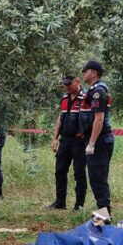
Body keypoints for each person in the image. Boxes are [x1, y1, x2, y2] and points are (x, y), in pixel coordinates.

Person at [78, 59, 114, 215]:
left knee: (98, 177)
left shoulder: (98, 91)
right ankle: (103, 212)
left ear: (93, 73)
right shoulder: (93, 90)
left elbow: (99, 119)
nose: (83, 74)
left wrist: (91, 143)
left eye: (85, 71)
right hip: (97, 138)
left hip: (100, 140)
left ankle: (104, 216)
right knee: (96, 177)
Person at [47, 75, 87, 210]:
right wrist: (55, 138)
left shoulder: (85, 97)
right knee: (60, 170)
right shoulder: (64, 98)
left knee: (79, 173)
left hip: (79, 142)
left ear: (77, 82)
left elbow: (94, 117)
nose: (66, 87)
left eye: (69, 84)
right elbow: (60, 118)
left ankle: (79, 205)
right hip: (65, 140)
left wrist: (85, 131)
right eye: (65, 85)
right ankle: (60, 202)